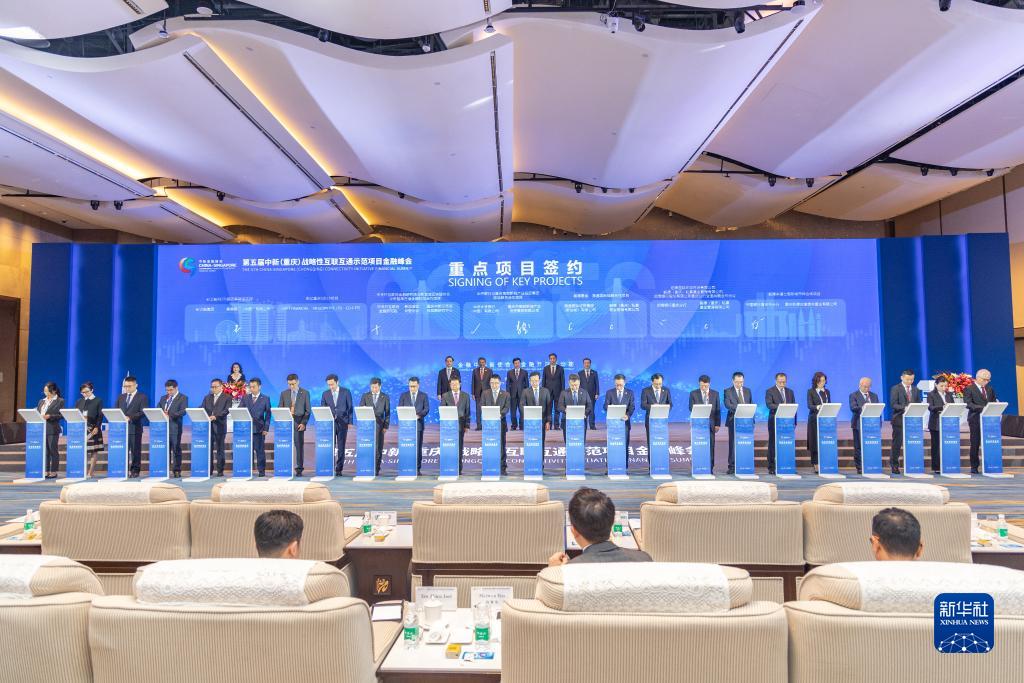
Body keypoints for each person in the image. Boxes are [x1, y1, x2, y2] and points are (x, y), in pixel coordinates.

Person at [548, 488, 652, 566]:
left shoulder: (567, 571)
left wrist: (553, 572)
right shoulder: (645, 560)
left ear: (573, 530)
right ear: (612, 522)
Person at [964, 369, 997, 474]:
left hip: (988, 420)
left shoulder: (990, 389)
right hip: (975, 419)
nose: (986, 382)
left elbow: (993, 401)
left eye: (988, 380)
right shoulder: (969, 388)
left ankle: (990, 465)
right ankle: (974, 466)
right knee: (975, 443)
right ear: (977, 378)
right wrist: (982, 408)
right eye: (984, 379)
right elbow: (968, 403)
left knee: (989, 442)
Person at [888, 370, 920, 475]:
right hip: (899, 420)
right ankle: (894, 465)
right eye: (907, 379)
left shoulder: (915, 389)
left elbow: (918, 403)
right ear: (902, 378)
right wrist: (905, 408)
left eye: (912, 379)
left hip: (912, 421)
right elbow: (893, 404)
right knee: (897, 444)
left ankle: (912, 465)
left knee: (912, 443)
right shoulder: (896, 388)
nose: (909, 381)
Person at [278, 374, 311, 476]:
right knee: (284, 445)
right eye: (289, 384)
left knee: (299, 446)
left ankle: (299, 469)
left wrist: (303, 423)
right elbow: (280, 408)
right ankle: (284, 467)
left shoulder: (305, 393)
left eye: (293, 384)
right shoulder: (284, 393)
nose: (291, 386)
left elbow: (308, 411)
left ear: (298, 382)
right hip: (286, 423)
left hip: (298, 422)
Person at [321, 374, 353, 476]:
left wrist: (350, 422)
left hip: (343, 422)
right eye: (329, 385)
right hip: (330, 424)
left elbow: (350, 408)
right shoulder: (325, 394)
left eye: (332, 384)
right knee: (330, 446)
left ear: (337, 382)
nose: (331, 387)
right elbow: (323, 408)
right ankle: (329, 467)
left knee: (341, 446)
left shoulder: (346, 392)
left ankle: (339, 469)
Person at [765, 372, 796, 475]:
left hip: (788, 422)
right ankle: (772, 466)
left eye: (784, 382)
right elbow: (769, 405)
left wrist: (794, 422)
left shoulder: (790, 392)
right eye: (780, 382)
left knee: (787, 443)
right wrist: (782, 406)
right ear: (776, 381)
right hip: (774, 421)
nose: (782, 384)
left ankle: (786, 464)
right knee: (773, 443)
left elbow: (794, 407)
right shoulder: (770, 391)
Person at [687, 375, 720, 472]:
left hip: (711, 424)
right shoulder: (693, 393)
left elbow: (718, 410)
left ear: (709, 384)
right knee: (698, 446)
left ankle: (710, 468)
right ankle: (697, 466)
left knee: (711, 446)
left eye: (706, 386)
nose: (704, 388)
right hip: (697, 424)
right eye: (702, 386)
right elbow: (690, 407)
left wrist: (717, 424)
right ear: (699, 384)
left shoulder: (715, 394)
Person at [723, 371, 753, 476]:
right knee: (733, 444)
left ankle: (745, 464)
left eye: (741, 382)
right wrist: (741, 409)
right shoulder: (728, 391)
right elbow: (728, 405)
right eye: (737, 382)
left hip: (747, 422)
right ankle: (732, 466)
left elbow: (750, 404)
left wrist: (752, 421)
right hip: (733, 420)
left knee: (746, 442)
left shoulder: (748, 391)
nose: (739, 384)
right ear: (733, 381)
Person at [117, 376, 147, 478]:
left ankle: (135, 470)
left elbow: (143, 412)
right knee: (122, 450)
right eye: (125, 386)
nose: (127, 388)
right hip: (121, 429)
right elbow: (116, 410)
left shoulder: (142, 397)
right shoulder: (121, 397)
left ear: (135, 385)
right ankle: (122, 469)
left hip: (135, 428)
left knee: (135, 451)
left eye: (129, 386)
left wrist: (130, 417)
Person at [398, 376, 430, 474]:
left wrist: (418, 415)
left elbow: (426, 409)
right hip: (406, 426)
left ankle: (417, 468)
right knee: (406, 447)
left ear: (418, 385)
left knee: (417, 447)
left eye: (414, 386)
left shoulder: (423, 395)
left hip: (418, 425)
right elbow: (400, 408)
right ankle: (406, 467)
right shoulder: (403, 395)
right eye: (410, 386)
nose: (412, 388)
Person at [480, 374, 511, 474]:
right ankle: (489, 466)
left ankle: (502, 467)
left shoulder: (506, 394)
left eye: (496, 383)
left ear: (500, 383)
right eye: (492, 383)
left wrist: (499, 414)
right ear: (489, 383)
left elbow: (507, 408)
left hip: (501, 424)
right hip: (488, 425)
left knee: (501, 446)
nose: (494, 385)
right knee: (489, 445)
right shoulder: (485, 393)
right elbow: (482, 405)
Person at [242, 378, 272, 477]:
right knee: (247, 451)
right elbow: (240, 410)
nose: (251, 389)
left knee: (260, 451)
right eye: (250, 387)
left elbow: (268, 415)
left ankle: (261, 471)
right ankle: (248, 470)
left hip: (259, 429)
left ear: (259, 387)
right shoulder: (245, 398)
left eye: (253, 387)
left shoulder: (265, 398)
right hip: (247, 429)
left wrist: (266, 428)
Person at [640, 373, 672, 467]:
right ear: (652, 382)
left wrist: (665, 410)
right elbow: (643, 405)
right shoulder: (645, 391)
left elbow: (670, 404)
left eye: (660, 384)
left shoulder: (666, 390)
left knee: (662, 442)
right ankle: (652, 466)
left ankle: (663, 465)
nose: (658, 386)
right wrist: (653, 407)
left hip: (662, 421)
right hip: (651, 420)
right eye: (656, 384)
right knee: (651, 443)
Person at [359, 378, 390, 475]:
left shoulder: (385, 397)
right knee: (367, 447)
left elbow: (387, 413)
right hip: (367, 426)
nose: (374, 389)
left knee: (378, 448)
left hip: (380, 426)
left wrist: (385, 426)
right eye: (372, 387)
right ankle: (367, 467)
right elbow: (361, 410)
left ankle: (376, 469)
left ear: (380, 386)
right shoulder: (365, 396)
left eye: (376, 387)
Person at [157, 379, 187, 478]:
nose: (169, 392)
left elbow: (183, 411)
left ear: (176, 388)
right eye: (167, 390)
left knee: (176, 449)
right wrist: (161, 414)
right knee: (165, 449)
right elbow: (158, 409)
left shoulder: (183, 398)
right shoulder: (163, 398)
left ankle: (177, 470)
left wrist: (170, 415)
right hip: (163, 428)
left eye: (170, 390)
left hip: (175, 427)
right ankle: (165, 469)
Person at [441, 376, 470, 474]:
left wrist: (467, 425)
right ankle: (449, 467)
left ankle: (458, 468)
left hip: (461, 424)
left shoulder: (465, 396)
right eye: (452, 384)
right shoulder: (445, 395)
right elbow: (442, 410)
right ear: (450, 385)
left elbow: (467, 411)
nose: (454, 386)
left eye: (456, 384)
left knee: (459, 446)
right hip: (448, 425)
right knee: (449, 446)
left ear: (460, 384)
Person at [849, 377, 879, 474]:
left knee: (871, 446)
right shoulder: (854, 395)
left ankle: (871, 464)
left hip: (872, 425)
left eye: (869, 387)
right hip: (858, 424)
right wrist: (865, 407)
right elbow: (853, 408)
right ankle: (859, 467)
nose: (867, 389)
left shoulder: (874, 396)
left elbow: (878, 409)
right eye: (865, 387)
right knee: (858, 447)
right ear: (860, 385)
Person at [202, 378, 231, 477]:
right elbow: (202, 408)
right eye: (212, 387)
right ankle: (209, 470)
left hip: (220, 426)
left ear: (221, 386)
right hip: (209, 427)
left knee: (220, 449)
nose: (213, 389)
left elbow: (226, 410)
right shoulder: (207, 397)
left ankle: (220, 470)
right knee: (209, 449)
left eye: (215, 387)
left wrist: (216, 416)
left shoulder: (227, 397)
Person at [76, 381, 104, 478]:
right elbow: (76, 414)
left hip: (93, 429)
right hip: (81, 430)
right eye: (82, 392)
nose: (85, 394)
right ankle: (82, 471)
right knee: (82, 450)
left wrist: (97, 427)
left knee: (93, 451)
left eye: (87, 392)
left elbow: (100, 416)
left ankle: (90, 472)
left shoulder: (98, 400)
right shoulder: (79, 401)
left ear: (92, 390)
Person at [927, 376, 954, 474]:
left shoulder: (949, 394)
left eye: (945, 386)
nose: (944, 388)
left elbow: (953, 406)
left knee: (947, 445)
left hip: (948, 423)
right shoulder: (931, 394)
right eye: (941, 386)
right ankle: (936, 467)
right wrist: (942, 407)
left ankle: (948, 464)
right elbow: (930, 407)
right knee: (936, 446)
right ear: (936, 385)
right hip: (935, 423)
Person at [522, 371, 552, 457]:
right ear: (529, 381)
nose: (534, 383)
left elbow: (549, 407)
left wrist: (548, 421)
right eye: (532, 381)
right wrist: (527, 416)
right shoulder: (525, 391)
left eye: (536, 380)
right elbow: (522, 405)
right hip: (529, 422)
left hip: (542, 421)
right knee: (530, 441)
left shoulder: (545, 391)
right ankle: (530, 460)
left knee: (541, 441)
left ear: (540, 380)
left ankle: (540, 462)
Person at [38, 382, 64, 479]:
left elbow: (61, 415)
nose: (45, 393)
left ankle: (53, 471)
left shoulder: (60, 401)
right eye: (44, 391)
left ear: (53, 391)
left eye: (47, 391)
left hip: (52, 428)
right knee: (45, 451)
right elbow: (38, 412)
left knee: (53, 450)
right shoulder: (41, 401)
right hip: (42, 428)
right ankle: (46, 471)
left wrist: (50, 416)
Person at [806, 372, 830, 473]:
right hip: (814, 419)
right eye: (820, 381)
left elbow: (829, 404)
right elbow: (809, 405)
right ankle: (815, 464)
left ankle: (825, 462)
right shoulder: (811, 391)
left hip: (825, 420)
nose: (822, 383)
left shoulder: (827, 392)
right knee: (814, 442)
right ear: (816, 381)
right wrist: (818, 406)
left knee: (824, 441)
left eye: (824, 381)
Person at [604, 373, 636, 447]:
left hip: (624, 423)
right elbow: (605, 406)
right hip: (612, 423)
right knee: (613, 445)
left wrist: (627, 415)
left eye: (620, 385)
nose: (618, 387)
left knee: (625, 445)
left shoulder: (630, 393)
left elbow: (632, 407)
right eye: (616, 385)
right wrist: (610, 408)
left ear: (624, 383)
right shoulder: (609, 392)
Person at [543, 353, 565, 430]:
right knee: (548, 410)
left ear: (556, 359)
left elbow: (562, 381)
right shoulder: (545, 368)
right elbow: (543, 381)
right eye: (551, 359)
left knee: (557, 409)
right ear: (549, 359)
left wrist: (563, 392)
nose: (552, 360)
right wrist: (543, 392)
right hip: (548, 392)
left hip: (558, 392)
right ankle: (549, 425)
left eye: (553, 358)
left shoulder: (561, 368)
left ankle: (556, 425)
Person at [471, 357, 493, 431]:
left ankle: (487, 426)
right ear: (478, 363)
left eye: (483, 362)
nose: (481, 363)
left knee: (487, 410)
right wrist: (473, 393)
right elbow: (473, 382)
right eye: (480, 362)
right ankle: (479, 426)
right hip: (477, 394)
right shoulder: (475, 371)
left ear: (485, 363)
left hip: (487, 393)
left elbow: (491, 382)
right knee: (478, 411)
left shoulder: (489, 371)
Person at [505, 357, 528, 430]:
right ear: (513, 364)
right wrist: (508, 394)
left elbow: (527, 384)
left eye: (518, 363)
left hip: (522, 395)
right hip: (512, 395)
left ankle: (522, 426)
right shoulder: (509, 372)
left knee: (522, 411)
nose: (517, 364)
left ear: (520, 363)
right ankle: (514, 426)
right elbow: (508, 384)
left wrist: (526, 395)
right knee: (513, 412)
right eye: (515, 363)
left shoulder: (524, 372)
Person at [579, 358, 600, 430]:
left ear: (590, 364)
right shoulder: (580, 373)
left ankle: (592, 425)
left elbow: (597, 384)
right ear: (583, 364)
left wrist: (597, 393)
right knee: (583, 411)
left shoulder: (594, 373)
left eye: (588, 363)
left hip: (592, 395)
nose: (586, 364)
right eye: (585, 363)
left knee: (591, 410)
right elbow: (578, 384)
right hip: (582, 395)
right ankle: (583, 425)